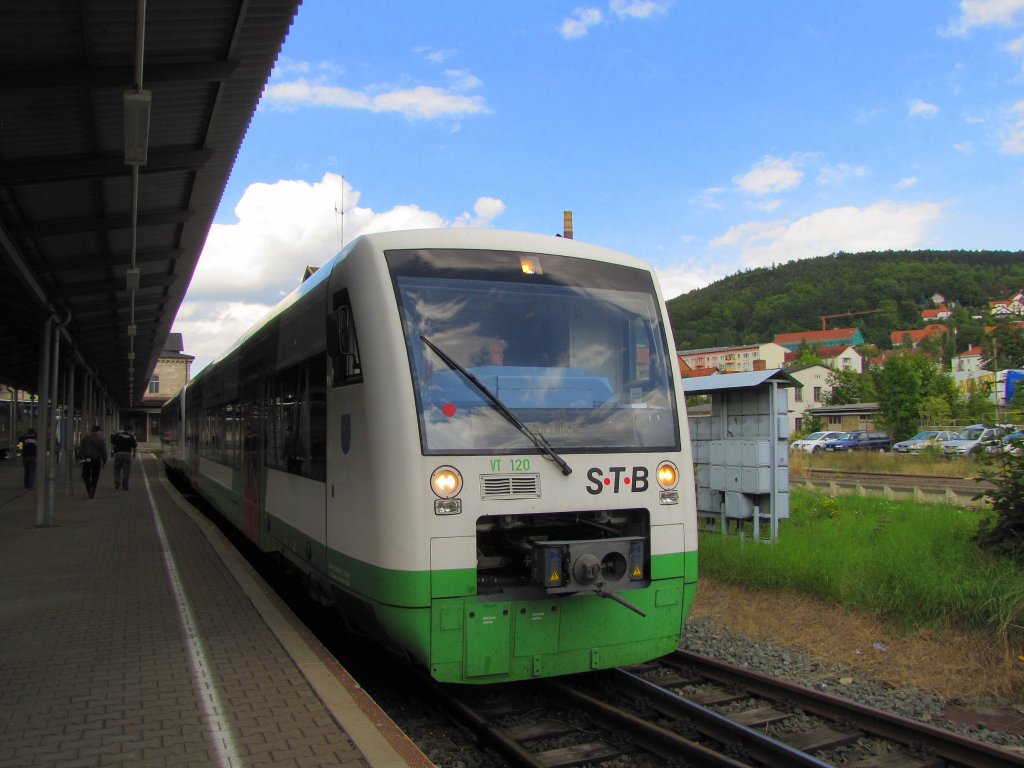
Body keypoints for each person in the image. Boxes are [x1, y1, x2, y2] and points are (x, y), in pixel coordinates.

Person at [78, 426, 107, 499]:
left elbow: (81, 450)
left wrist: (80, 458)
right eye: (100, 432)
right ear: (97, 432)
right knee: (95, 476)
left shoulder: (85, 439)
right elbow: (104, 453)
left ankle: (89, 488)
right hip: (96, 460)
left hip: (87, 459)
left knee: (85, 475)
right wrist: (104, 462)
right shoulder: (100, 441)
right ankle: (93, 489)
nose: (101, 433)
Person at [110, 424, 138, 490]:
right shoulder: (131, 437)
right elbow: (134, 446)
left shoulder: (118, 435)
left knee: (116, 469)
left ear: (124, 430)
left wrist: (113, 452)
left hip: (118, 454)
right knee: (126, 471)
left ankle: (117, 480)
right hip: (127, 454)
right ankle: (125, 486)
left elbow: (113, 443)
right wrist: (134, 454)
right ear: (129, 430)